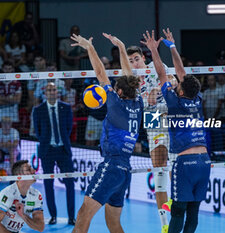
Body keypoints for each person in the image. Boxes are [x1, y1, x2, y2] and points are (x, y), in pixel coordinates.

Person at [70, 32, 143, 233]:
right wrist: (121, 47)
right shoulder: (139, 103)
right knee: (113, 224)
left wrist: (89, 48)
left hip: (111, 166)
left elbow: (101, 73)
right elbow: (129, 77)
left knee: (83, 215)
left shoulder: (115, 104)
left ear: (118, 92)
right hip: (124, 171)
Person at [143, 28, 211, 233]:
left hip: (186, 163)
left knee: (179, 210)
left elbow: (162, 72)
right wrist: (172, 46)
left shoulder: (173, 102)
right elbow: (181, 73)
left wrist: (154, 50)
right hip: (205, 162)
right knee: (194, 211)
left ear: (180, 90)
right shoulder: (198, 100)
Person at [127, 39, 175, 230]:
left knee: (172, 161)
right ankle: (164, 224)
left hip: (168, 112)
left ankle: (176, 199)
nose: (134, 63)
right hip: (152, 117)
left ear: (143, 58)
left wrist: (157, 88)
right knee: (158, 167)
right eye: (130, 61)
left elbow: (173, 80)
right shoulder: (131, 80)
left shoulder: (156, 67)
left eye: (136, 59)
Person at [33, 82, 75, 225]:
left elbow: (68, 128)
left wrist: (61, 141)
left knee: (70, 183)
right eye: (49, 90)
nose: (52, 92)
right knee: (48, 184)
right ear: (45, 93)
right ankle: (53, 216)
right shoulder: (38, 110)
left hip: (63, 150)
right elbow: (38, 131)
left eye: (54, 90)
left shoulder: (66, 108)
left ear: (58, 92)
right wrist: (47, 142)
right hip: (47, 150)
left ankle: (71, 217)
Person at [0, 160, 44, 232]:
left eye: (32, 168)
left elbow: (40, 227)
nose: (34, 170)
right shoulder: (7, 194)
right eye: (29, 169)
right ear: (19, 176)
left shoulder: (36, 195)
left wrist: (23, 215)